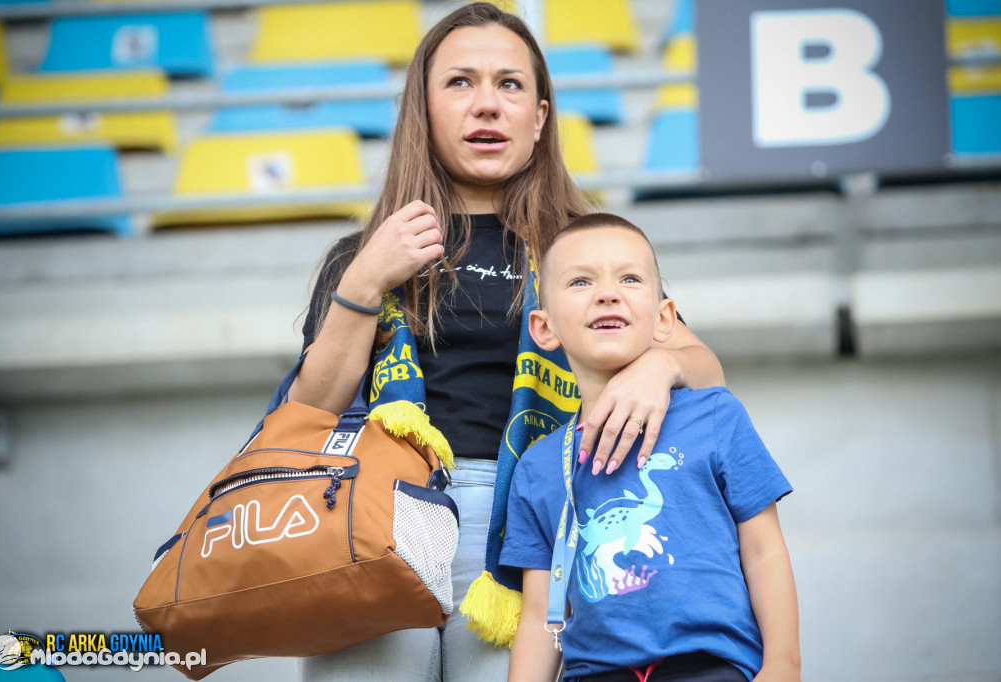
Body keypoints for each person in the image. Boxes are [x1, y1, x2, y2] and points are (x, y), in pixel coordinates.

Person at [290, 4, 725, 680]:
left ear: (540, 117)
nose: (487, 105)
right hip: (371, 520)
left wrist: (660, 365)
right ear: (422, 111)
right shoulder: (362, 253)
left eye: (510, 85)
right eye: (460, 83)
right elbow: (311, 411)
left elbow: (708, 373)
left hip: (533, 520)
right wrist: (367, 278)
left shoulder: (587, 248)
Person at [502, 214, 799, 682]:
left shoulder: (716, 416)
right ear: (544, 328)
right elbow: (541, 613)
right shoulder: (537, 466)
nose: (607, 292)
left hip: (712, 667)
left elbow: (764, 550)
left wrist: (783, 664)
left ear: (664, 319)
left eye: (630, 278)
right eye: (580, 281)